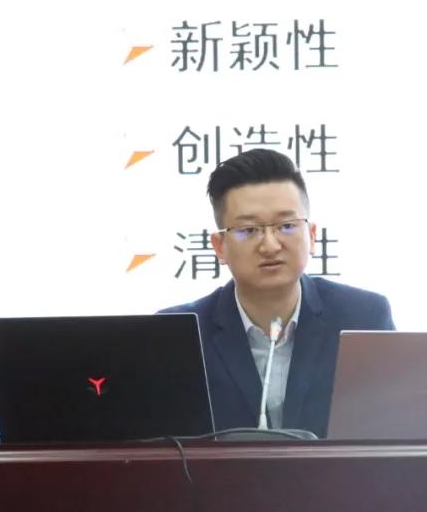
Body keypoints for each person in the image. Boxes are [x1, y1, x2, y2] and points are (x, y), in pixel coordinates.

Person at [160, 148, 394, 437]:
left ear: (312, 236)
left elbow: (392, 433)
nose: (270, 245)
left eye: (286, 226)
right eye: (249, 230)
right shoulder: (180, 334)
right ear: (220, 247)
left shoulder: (364, 317)